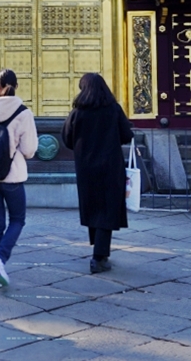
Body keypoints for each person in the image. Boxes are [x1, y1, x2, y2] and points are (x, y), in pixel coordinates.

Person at [61, 72, 133, 274]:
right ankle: (99, 257)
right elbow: (126, 134)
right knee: (107, 211)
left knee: (93, 208)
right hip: (110, 166)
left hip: (86, 168)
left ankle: (98, 249)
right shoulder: (113, 109)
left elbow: (66, 138)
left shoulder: (78, 112)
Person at [0, 69, 37, 289]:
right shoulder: (23, 113)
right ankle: (0, 257)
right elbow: (30, 150)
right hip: (12, 177)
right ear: (16, 86)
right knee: (17, 219)